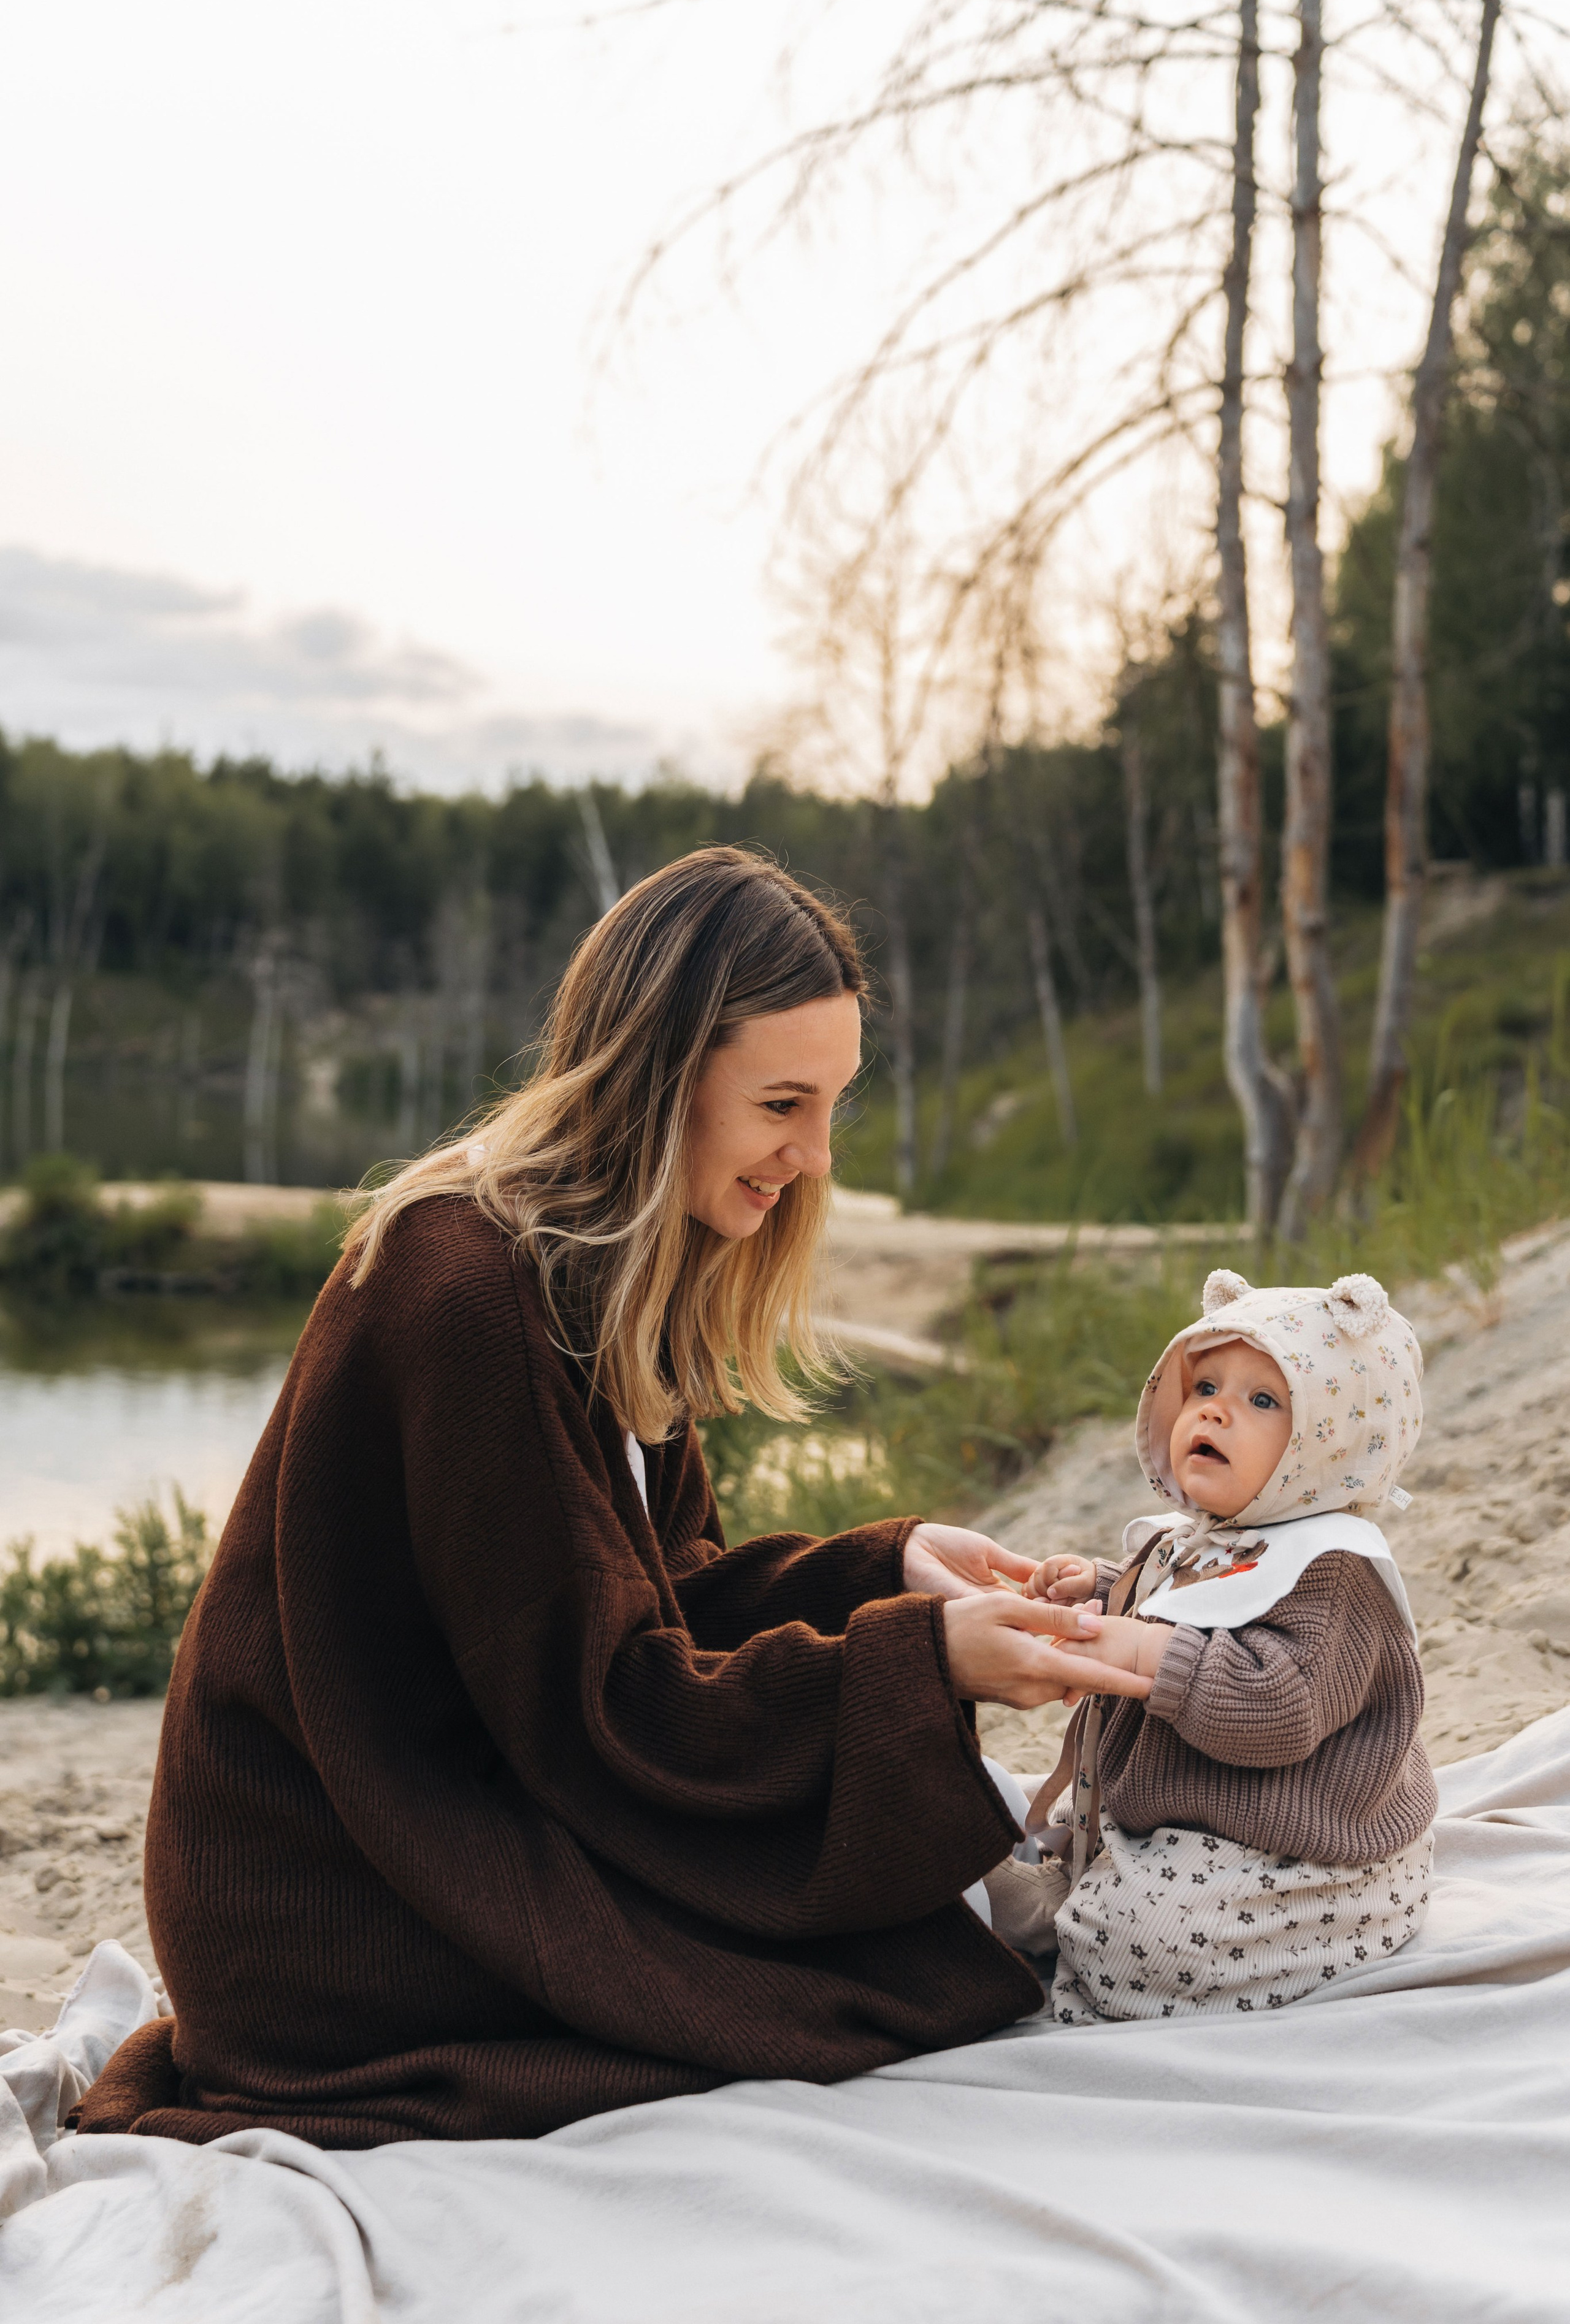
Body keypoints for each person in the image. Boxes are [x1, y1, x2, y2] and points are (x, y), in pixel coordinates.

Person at [75, 846, 1149, 2149]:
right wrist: (923, 1667)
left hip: (465, 1811)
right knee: (884, 1983)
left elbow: (656, 1594)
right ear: (660, 1079)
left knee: (903, 1945)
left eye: (832, 1106)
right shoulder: (462, 1284)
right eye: (781, 1105)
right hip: (337, 1906)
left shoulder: (595, 1279)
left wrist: (888, 1567)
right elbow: (605, 1707)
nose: (811, 1156)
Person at [980, 1267, 1438, 2022]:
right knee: (1127, 1882)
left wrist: (1139, 1652)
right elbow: (1187, 1607)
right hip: (1191, 1822)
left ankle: (1062, 1929)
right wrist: (1101, 1594)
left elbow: (1278, 1705)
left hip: (1291, 1852)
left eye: (1262, 1400)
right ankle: (1065, 1897)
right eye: (1205, 1389)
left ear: (1332, 1442)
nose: (1217, 1413)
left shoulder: (1332, 1571)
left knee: (1146, 1935)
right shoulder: (1211, 1539)